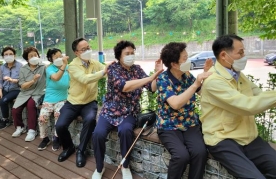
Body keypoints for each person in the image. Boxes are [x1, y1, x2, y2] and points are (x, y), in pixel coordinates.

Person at [200, 34, 276, 179]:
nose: (244, 56)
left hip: (248, 138)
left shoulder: (237, 74)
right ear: (224, 55)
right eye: (240, 52)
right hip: (223, 139)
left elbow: (258, 95)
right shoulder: (213, 81)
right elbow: (247, 106)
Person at [92, 40, 163, 179]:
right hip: (110, 111)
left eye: (132, 53)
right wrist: (149, 78)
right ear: (119, 56)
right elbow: (124, 86)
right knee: (98, 134)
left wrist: (156, 73)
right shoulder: (113, 69)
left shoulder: (137, 69)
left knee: (125, 131)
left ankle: (125, 166)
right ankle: (99, 168)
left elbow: (152, 88)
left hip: (129, 112)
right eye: (127, 53)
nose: (131, 55)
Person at [156, 42, 212, 179]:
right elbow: (175, 104)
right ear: (174, 64)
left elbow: (202, 93)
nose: (189, 61)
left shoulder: (187, 76)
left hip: (189, 123)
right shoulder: (163, 79)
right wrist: (195, 84)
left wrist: (205, 74)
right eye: (185, 58)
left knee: (200, 152)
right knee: (181, 156)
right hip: (168, 125)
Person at [56, 37, 110, 167]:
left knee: (91, 120)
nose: (88, 51)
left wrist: (111, 67)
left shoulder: (94, 63)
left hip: (89, 102)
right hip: (73, 102)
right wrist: (103, 71)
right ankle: (69, 147)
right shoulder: (73, 66)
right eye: (84, 49)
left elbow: (106, 71)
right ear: (76, 52)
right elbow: (84, 79)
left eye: (89, 48)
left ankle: (81, 150)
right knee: (60, 126)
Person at [37, 48, 69, 151]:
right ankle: (45, 138)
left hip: (63, 98)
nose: (60, 58)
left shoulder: (68, 68)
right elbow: (56, 78)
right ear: (51, 59)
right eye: (56, 57)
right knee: (42, 117)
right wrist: (64, 66)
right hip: (49, 99)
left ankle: (56, 137)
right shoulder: (50, 69)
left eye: (61, 56)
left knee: (58, 115)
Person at [11, 46, 46, 142]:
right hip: (25, 92)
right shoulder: (23, 69)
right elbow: (22, 85)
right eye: (31, 56)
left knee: (31, 105)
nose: (34, 57)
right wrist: (33, 80)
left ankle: (32, 130)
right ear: (27, 58)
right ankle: (20, 127)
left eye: (35, 55)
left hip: (38, 92)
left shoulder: (43, 67)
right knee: (15, 109)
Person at [0, 47, 23, 129]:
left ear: (14, 55)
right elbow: (0, 80)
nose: (8, 56)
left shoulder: (20, 66)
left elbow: (22, 80)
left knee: (3, 101)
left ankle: (5, 119)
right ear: (3, 56)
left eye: (11, 54)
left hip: (16, 89)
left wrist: (12, 80)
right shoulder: (2, 67)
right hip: (5, 89)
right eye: (6, 54)